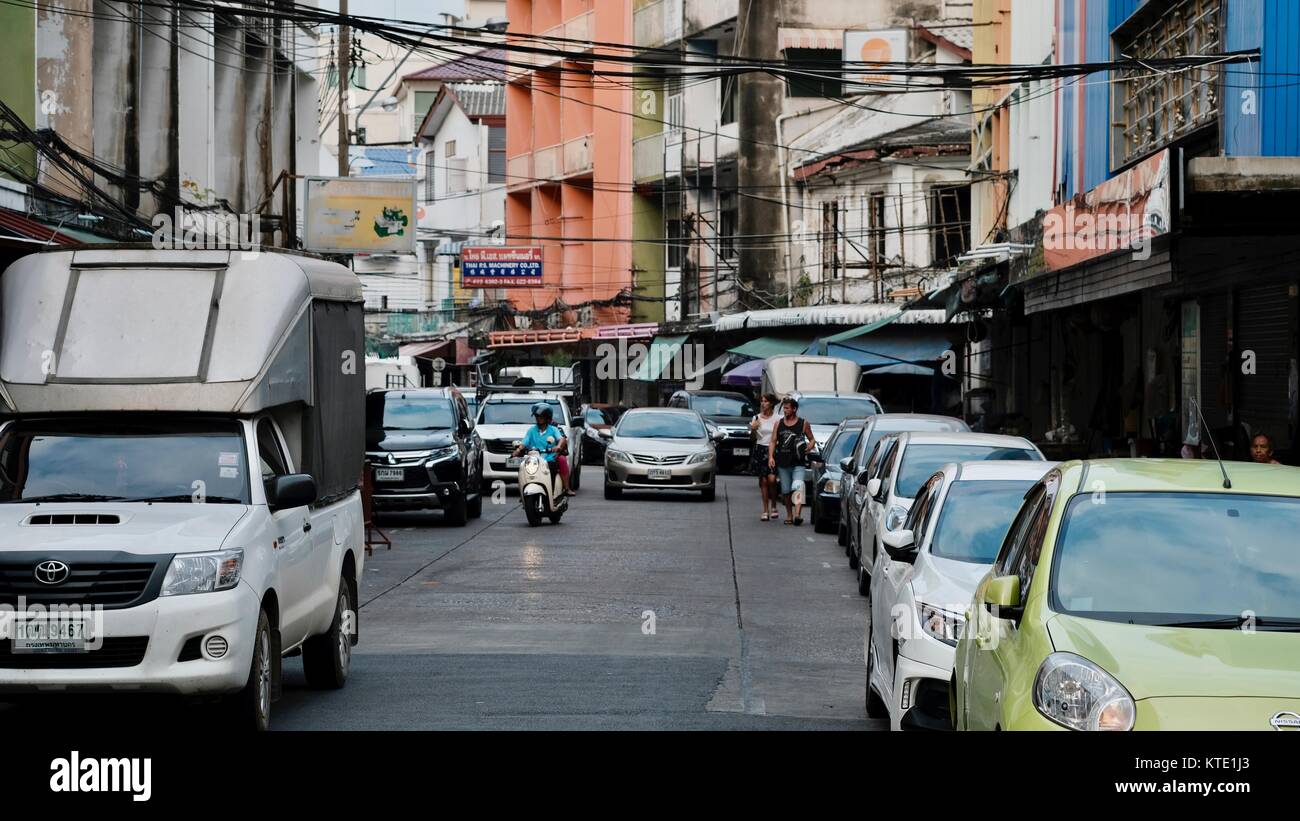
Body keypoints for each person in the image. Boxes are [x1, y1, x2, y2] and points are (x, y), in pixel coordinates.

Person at [767, 396, 816, 526]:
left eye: (787, 408)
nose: (785, 410)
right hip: (783, 462)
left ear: (794, 409)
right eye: (784, 408)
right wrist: (771, 457)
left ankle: (798, 515)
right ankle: (789, 514)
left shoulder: (803, 423)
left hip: (798, 461)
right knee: (786, 491)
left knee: (798, 486)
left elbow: (812, 439)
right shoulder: (779, 423)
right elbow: (773, 441)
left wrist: (809, 447)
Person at [513, 403, 571, 495]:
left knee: (552, 469)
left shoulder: (553, 429)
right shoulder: (531, 430)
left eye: (541, 416)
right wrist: (518, 450)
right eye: (536, 416)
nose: (538, 418)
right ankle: (524, 492)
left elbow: (561, 439)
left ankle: (551, 492)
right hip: (533, 459)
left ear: (547, 417)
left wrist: (558, 446)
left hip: (549, 458)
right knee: (523, 469)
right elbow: (524, 442)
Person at [749, 393, 780, 521]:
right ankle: (765, 510)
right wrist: (753, 429)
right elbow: (752, 439)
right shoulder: (756, 418)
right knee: (763, 481)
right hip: (760, 449)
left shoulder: (778, 418)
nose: (763, 403)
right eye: (762, 401)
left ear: (771, 403)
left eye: (766, 401)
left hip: (773, 450)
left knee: (772, 479)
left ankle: (774, 505)